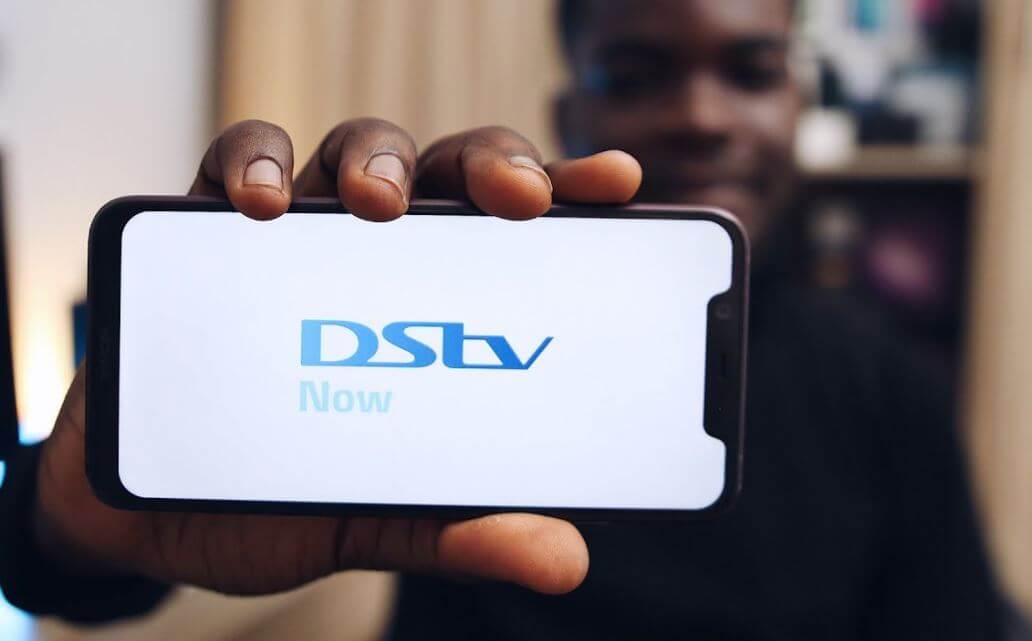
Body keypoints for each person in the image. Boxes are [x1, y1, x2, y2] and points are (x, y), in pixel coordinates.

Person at [0, 0, 1002, 639]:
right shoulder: (444, 300)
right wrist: (65, 530)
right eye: (636, 75)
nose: (702, 116)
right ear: (568, 116)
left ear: (798, 101)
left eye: (750, 69)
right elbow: (52, 567)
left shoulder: (886, 389)